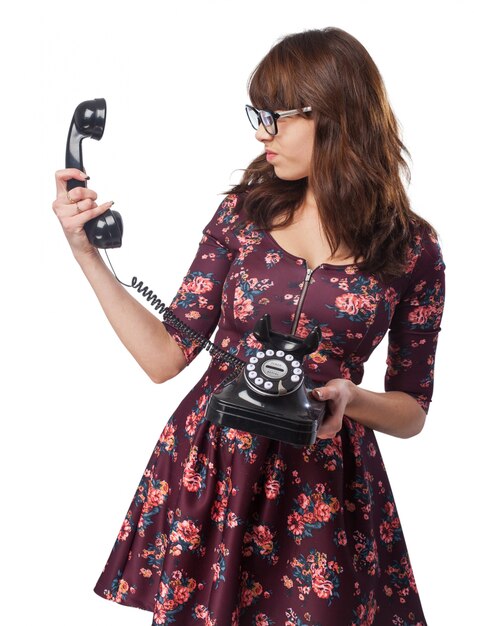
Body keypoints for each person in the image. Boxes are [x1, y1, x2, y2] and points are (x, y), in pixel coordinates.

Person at [52, 27, 444, 626]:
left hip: (323, 486)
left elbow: (412, 411)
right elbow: (164, 356)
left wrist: (352, 397)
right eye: (255, 113)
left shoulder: (413, 247)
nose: (260, 133)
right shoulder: (242, 213)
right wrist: (88, 254)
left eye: (276, 116)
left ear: (336, 114)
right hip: (216, 467)